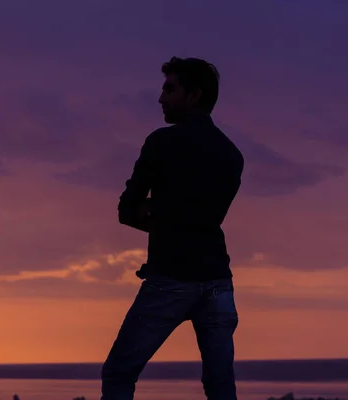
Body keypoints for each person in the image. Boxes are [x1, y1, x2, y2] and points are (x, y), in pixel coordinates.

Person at [101, 57, 245, 400]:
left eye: (170, 89)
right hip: (217, 282)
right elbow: (207, 218)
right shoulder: (232, 155)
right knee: (220, 385)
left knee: (119, 372)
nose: (161, 98)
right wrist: (173, 217)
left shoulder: (161, 143)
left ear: (193, 95)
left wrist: (158, 215)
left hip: (171, 280)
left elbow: (127, 209)